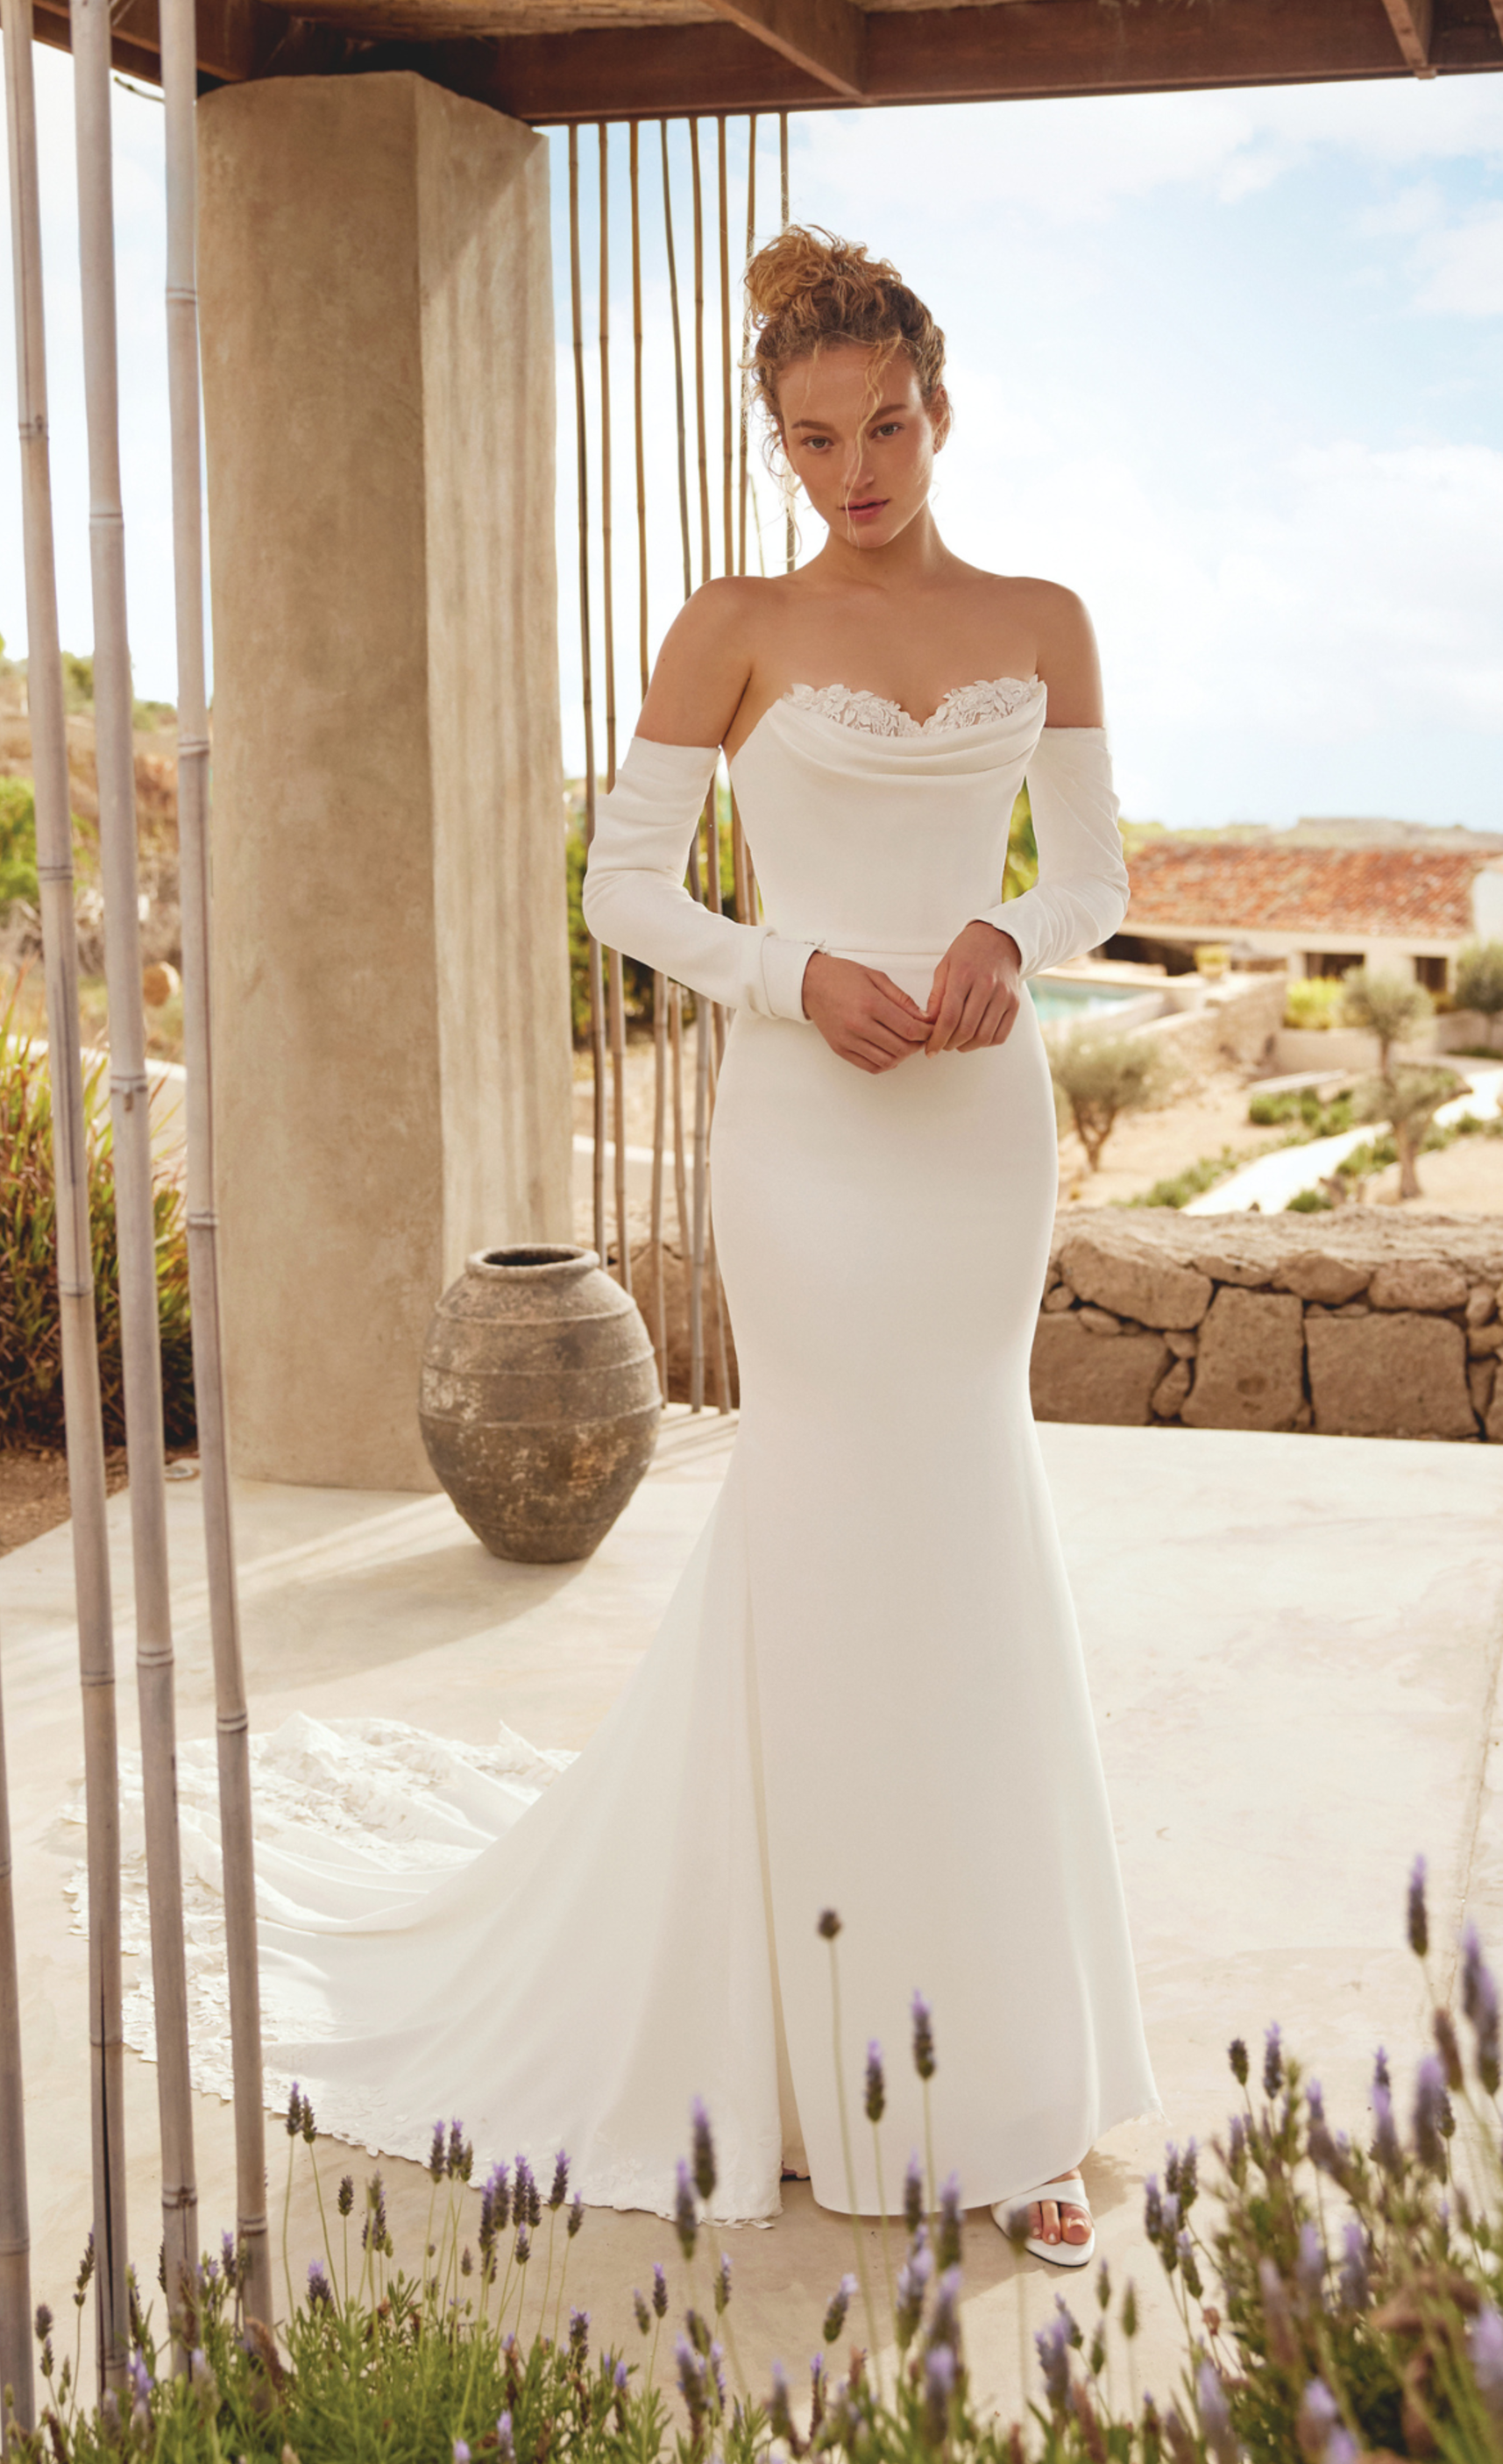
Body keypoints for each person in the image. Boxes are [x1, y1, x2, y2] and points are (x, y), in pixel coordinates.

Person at [182, 228, 1160, 2272]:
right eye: (815, 437)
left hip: (972, 1137)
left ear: (938, 408)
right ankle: (796, 2058)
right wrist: (798, 971)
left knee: (970, 1523)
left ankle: (1009, 2097)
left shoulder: (1043, 619)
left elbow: (1089, 874)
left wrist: (1007, 938)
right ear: (777, 439)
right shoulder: (728, 623)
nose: (856, 467)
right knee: (822, 1525)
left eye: (885, 425)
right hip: (807, 1130)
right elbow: (622, 884)